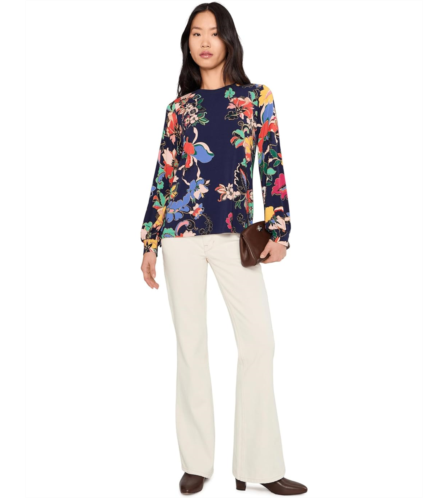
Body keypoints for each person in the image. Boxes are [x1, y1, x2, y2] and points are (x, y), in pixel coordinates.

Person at [140, 3, 307, 495]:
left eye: (214, 33)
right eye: (196, 33)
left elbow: (272, 165)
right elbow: (164, 175)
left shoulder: (257, 98)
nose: (205, 41)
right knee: (191, 346)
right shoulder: (178, 109)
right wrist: (149, 240)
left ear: (229, 40)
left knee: (259, 343)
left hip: (235, 235)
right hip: (180, 235)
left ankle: (259, 464)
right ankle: (197, 462)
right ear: (188, 43)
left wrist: (280, 230)